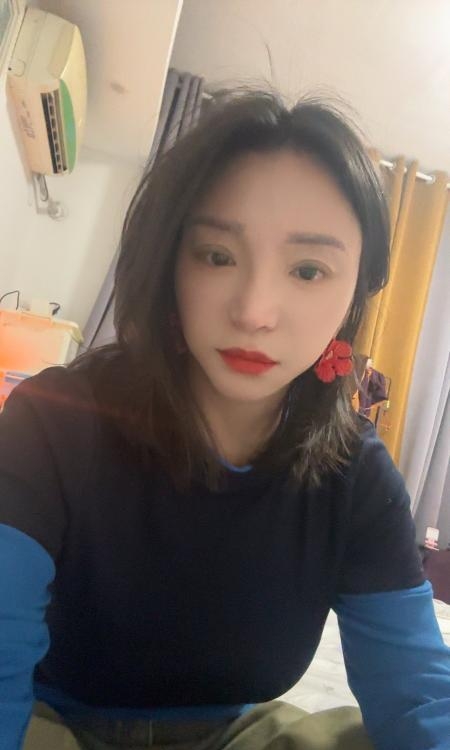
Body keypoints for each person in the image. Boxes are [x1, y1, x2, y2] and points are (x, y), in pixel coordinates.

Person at [0, 89, 449, 750]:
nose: (254, 312)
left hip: (236, 734)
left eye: (308, 270)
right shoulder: (53, 422)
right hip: (53, 722)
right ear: (170, 263)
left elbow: (417, 691)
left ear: (356, 294)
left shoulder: (355, 473)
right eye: (217, 256)